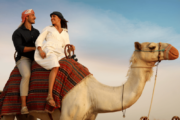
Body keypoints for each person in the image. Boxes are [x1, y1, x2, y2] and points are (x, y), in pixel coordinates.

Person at [34, 11, 75, 107]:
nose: (52, 18)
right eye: (51, 17)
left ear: (59, 18)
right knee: (55, 66)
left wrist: (71, 48)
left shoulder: (65, 33)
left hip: (60, 52)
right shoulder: (48, 28)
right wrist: (40, 50)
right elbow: (39, 40)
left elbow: (66, 47)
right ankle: (49, 95)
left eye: (54, 16)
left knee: (68, 66)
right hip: (49, 50)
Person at [12, 9, 40, 114]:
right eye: (33, 15)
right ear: (26, 17)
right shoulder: (17, 33)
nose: (35, 17)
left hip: (37, 59)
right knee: (27, 75)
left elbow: (41, 44)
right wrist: (35, 48)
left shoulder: (36, 32)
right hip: (24, 59)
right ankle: (23, 106)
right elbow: (20, 49)